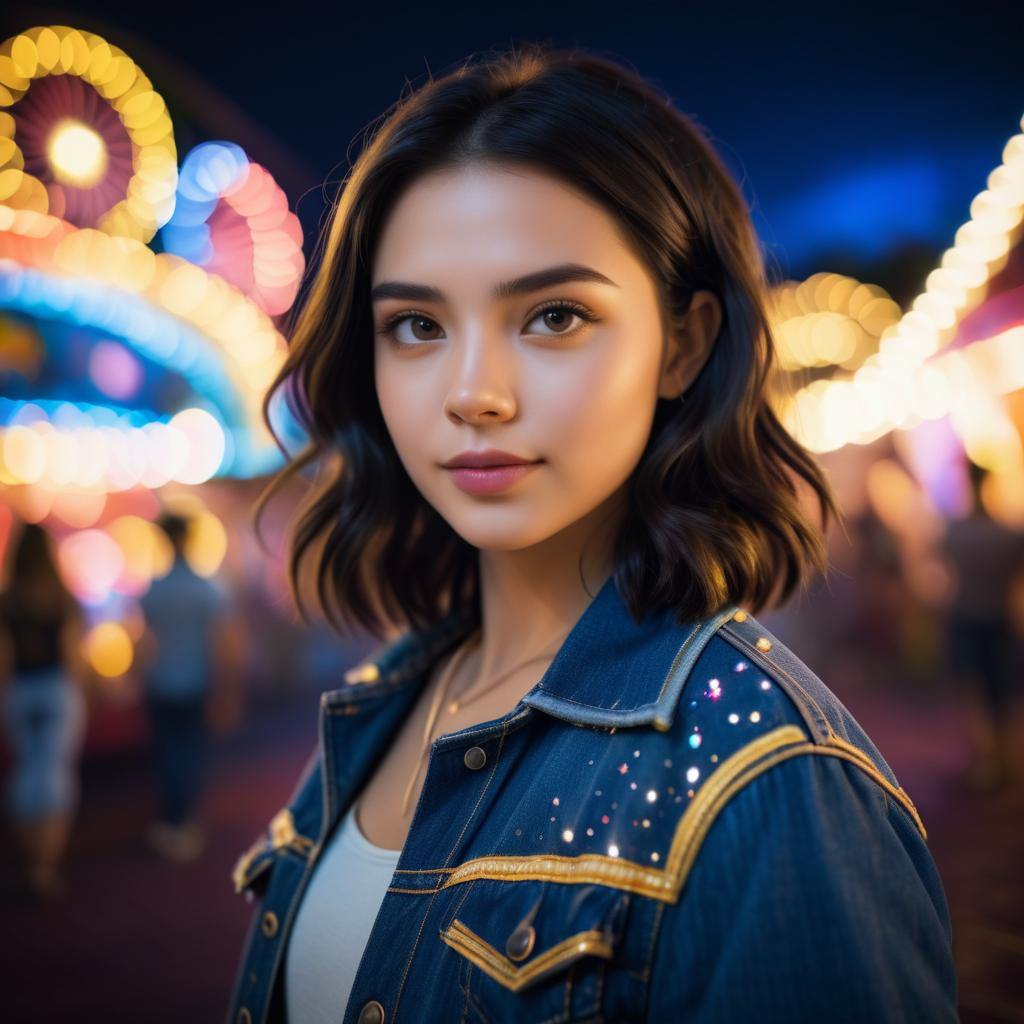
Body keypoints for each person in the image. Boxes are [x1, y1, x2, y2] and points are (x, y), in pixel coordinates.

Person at [226, 43, 959, 1023]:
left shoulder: (771, 783)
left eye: (554, 315)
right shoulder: (382, 701)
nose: (472, 394)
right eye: (416, 325)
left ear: (683, 342)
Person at [0, 521, 89, 900]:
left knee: (26, 770)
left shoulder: (7, 601)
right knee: (55, 773)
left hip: (20, 690)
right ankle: (45, 864)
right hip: (56, 690)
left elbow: (3, 658)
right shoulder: (62, 598)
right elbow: (74, 656)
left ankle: (29, 856)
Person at [137, 512, 233, 862]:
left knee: (168, 752)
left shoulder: (155, 589)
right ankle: (185, 820)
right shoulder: (205, 588)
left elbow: (143, 643)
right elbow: (222, 643)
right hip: (196, 680)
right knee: (190, 752)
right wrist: (227, 689)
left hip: (160, 680)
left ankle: (174, 819)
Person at [939, 459, 1023, 792]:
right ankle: (999, 760)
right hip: (997, 618)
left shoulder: (956, 533)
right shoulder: (1006, 535)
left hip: (969, 616)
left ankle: (987, 760)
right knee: (998, 692)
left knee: (976, 690)